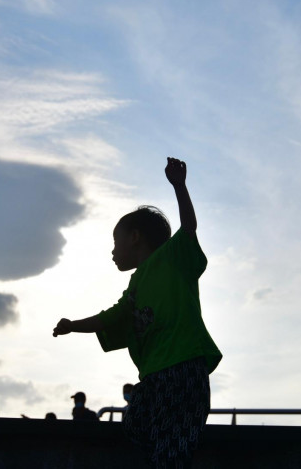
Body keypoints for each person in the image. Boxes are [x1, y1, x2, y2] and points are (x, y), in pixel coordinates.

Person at [53, 157, 222, 468]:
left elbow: (188, 227)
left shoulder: (172, 258)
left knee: (170, 450)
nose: (113, 251)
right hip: (154, 377)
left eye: (116, 242)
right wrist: (73, 325)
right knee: (136, 425)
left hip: (183, 368)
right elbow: (111, 317)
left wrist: (179, 186)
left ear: (135, 238)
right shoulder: (135, 286)